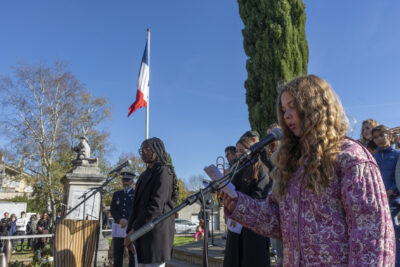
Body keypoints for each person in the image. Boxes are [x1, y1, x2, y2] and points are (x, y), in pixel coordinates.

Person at [221, 75, 395, 266]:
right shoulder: (292, 164)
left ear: (315, 106)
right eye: (283, 109)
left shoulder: (350, 157)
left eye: (292, 106)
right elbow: (278, 219)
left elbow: (372, 237)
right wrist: (237, 204)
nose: (286, 115)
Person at [124, 137, 178, 267]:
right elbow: (136, 207)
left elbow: (156, 206)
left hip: (156, 233)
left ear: (157, 150)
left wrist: (134, 230)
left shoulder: (164, 172)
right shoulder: (143, 175)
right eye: (141, 149)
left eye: (147, 149)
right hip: (142, 233)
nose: (143, 152)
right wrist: (130, 230)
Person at [223, 135, 271, 267]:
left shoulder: (261, 170)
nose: (238, 154)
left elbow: (260, 198)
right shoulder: (237, 170)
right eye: (237, 151)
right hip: (236, 226)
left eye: (241, 151)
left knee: (251, 260)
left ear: (251, 150)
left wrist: (240, 201)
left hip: (253, 228)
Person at [372, 125, 400, 266]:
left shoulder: (397, 155)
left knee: (394, 233)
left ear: (389, 136)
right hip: (378, 201)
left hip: (393, 200)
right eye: (376, 137)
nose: (379, 139)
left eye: (381, 135)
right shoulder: (373, 157)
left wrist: (392, 190)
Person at [110, 171, 136, 267]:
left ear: (132, 182)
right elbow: (113, 209)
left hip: (131, 227)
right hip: (118, 226)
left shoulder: (136, 194)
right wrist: (119, 219)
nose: (125, 182)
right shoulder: (117, 194)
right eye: (123, 180)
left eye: (127, 180)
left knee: (132, 253)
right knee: (118, 253)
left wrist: (128, 221)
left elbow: (137, 210)